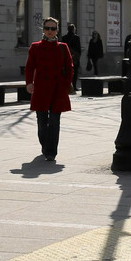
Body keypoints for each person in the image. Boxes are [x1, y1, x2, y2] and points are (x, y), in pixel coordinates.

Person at [25, 17, 73, 162]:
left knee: (54, 121)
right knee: (41, 122)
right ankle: (45, 146)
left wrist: (65, 83)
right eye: (47, 28)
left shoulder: (63, 47)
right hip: (41, 88)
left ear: (57, 30)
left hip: (58, 88)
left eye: (53, 28)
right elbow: (29, 67)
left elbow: (70, 67)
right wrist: (29, 83)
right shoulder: (35, 47)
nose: (50, 31)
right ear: (43, 30)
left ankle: (50, 152)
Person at [61, 23, 82, 91]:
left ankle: (67, 85)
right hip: (74, 58)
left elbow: (62, 49)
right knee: (74, 72)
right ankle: (74, 86)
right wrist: (78, 56)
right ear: (74, 30)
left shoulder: (64, 37)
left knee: (66, 72)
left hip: (66, 57)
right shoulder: (76, 37)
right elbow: (79, 49)